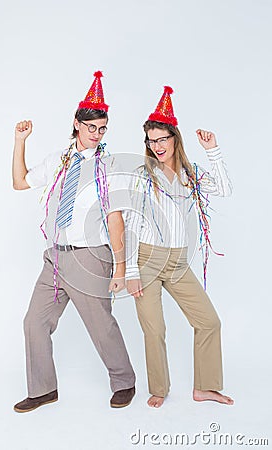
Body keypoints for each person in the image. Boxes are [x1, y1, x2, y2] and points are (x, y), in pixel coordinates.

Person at [12, 71, 135, 412]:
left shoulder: (106, 168)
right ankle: (43, 389)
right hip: (54, 257)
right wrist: (20, 140)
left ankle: (124, 381)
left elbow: (115, 219)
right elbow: (20, 182)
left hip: (89, 257)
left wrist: (120, 268)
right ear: (77, 124)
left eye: (102, 128)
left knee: (101, 325)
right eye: (91, 127)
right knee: (34, 322)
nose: (96, 134)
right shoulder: (58, 161)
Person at [125, 86, 234, 408]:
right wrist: (131, 270)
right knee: (155, 330)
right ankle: (159, 388)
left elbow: (225, 189)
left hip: (177, 262)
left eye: (163, 139)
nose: (157, 146)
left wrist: (213, 150)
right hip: (146, 260)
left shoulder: (191, 174)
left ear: (175, 138)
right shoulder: (142, 175)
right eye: (151, 140)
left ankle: (206, 387)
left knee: (208, 321)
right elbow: (131, 224)